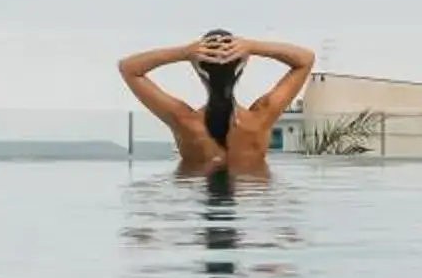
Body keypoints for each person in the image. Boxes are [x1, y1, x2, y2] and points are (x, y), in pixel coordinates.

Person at [117, 32, 315, 177]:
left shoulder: (185, 122)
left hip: (194, 202)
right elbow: (305, 59)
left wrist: (184, 52)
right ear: (242, 67)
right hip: (253, 202)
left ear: (197, 69)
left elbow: (129, 68)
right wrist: (252, 46)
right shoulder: (260, 118)